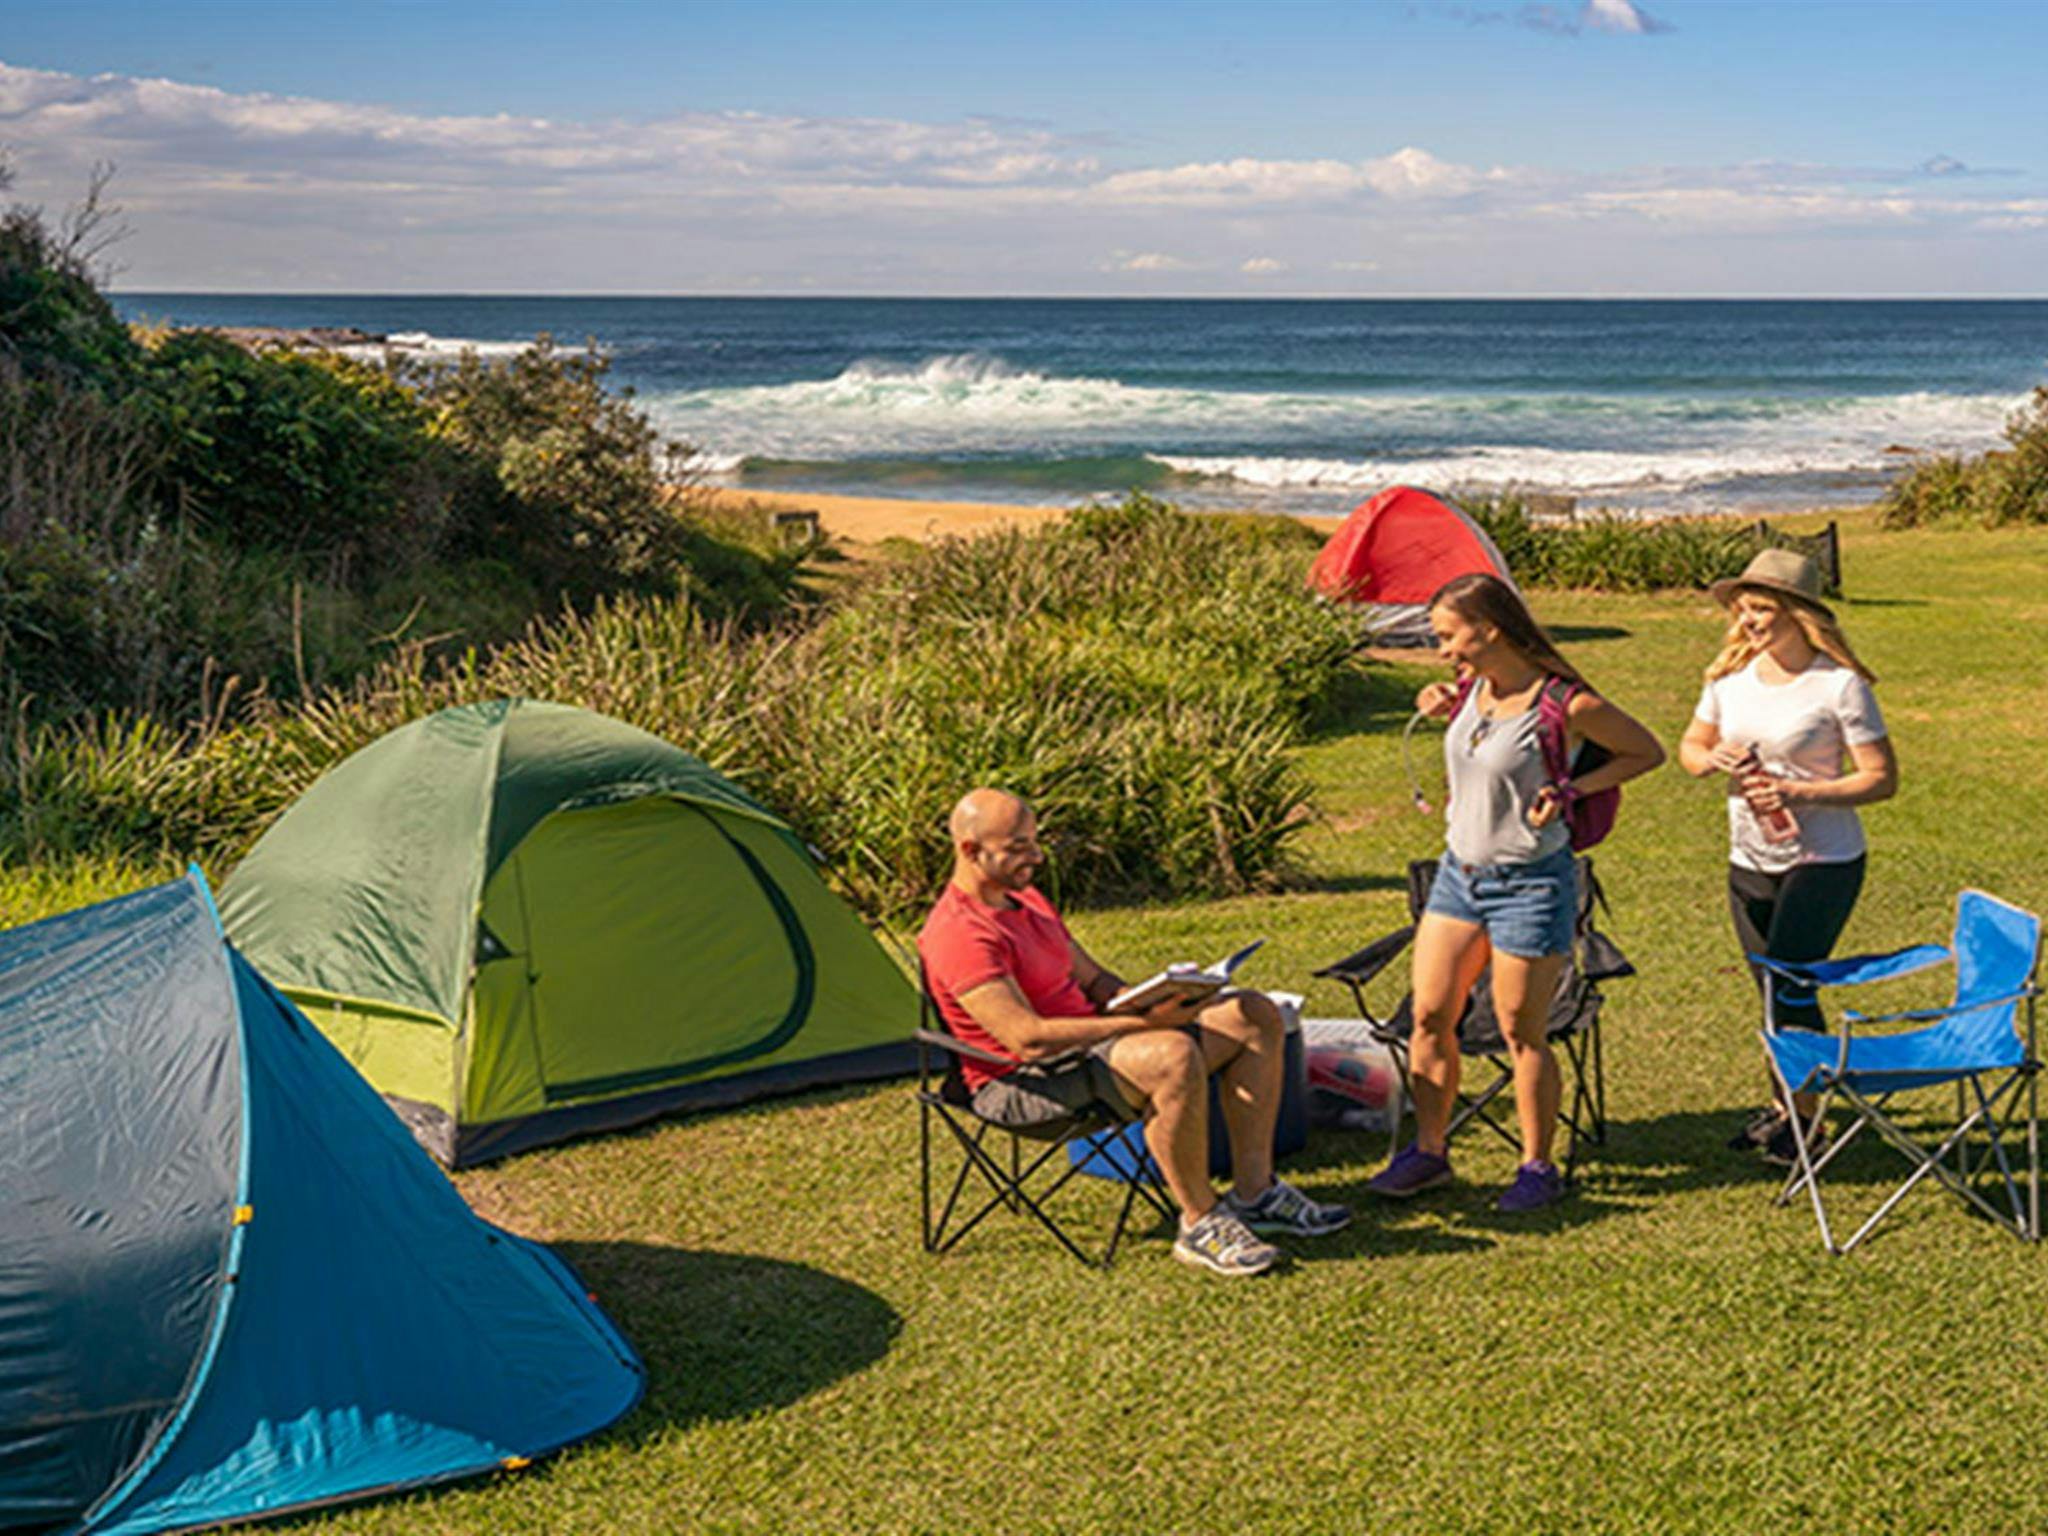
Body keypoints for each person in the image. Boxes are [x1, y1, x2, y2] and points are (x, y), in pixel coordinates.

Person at [918, 788, 1352, 1277]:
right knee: (1171, 1054)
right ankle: (1200, 1222)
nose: (1035, 857)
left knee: (1253, 1014)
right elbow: (1027, 1039)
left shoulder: (1027, 900)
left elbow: (1094, 979)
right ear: (970, 850)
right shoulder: (959, 933)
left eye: (1035, 842)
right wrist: (1145, 1024)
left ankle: (1255, 1193)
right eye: (1018, 847)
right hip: (1025, 1083)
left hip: (1094, 1052)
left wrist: (1156, 997)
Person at [1367, 573, 1665, 1212]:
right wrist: (1444, 699)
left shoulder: (1566, 702)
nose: (1442, 649)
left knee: (1519, 1030)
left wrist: (1574, 790)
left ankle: (1537, 1166)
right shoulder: (1473, 690)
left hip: (1531, 883)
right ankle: (1428, 1153)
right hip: (1459, 876)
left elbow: (1645, 751)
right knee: (1428, 1016)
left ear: (1490, 629)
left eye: (1449, 635)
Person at [1676, 549, 1896, 1165]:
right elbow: (1691, 749)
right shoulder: (1727, 681)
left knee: (1792, 983)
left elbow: (1880, 778)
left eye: (1762, 609)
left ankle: (1806, 1126)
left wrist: (1799, 791)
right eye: (1742, 609)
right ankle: (1787, 1109)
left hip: (1823, 858)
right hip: (1749, 856)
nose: (1748, 621)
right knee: (1770, 990)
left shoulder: (1839, 685)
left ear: (1800, 614)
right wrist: (1709, 759)